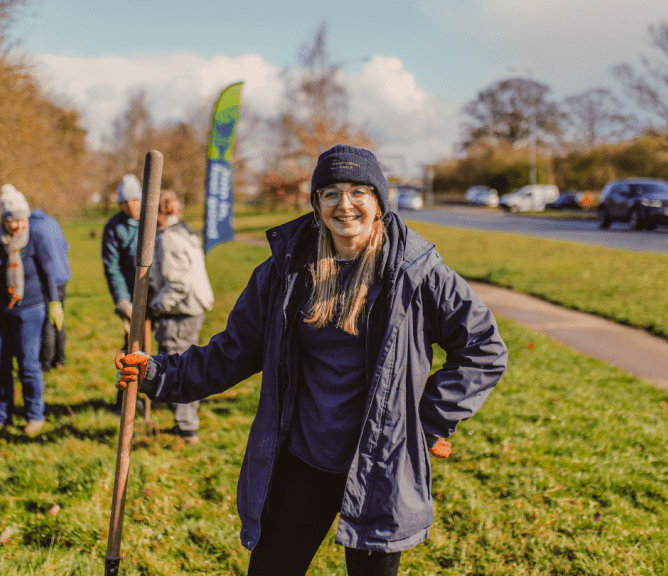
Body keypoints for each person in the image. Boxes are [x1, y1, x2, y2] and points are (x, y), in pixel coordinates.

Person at [115, 144, 508, 575]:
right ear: (317, 203)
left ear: (378, 201)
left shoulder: (417, 273)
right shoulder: (286, 270)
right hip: (305, 458)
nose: (346, 205)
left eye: (359, 191)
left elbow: (484, 349)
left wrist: (430, 421)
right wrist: (160, 374)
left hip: (381, 463)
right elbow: (234, 350)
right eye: (331, 193)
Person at [0, 184, 62, 435]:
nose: (19, 226)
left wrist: (54, 302)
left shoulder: (35, 239)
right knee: (0, 365)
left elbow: (47, 274)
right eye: (13, 221)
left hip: (30, 310)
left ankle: (35, 416)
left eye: (23, 219)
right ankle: (2, 417)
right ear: (3, 220)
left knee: (29, 365)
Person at [147, 190, 215, 444]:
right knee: (183, 362)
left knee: (178, 366)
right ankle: (185, 421)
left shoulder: (169, 240)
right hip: (191, 308)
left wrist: (156, 306)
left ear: (162, 212)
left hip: (181, 311)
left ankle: (186, 427)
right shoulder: (184, 232)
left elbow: (178, 283)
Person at [101, 174, 143, 410]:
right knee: (131, 348)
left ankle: (163, 394)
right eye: (126, 203)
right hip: (131, 297)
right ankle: (127, 399)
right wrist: (123, 300)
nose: (131, 206)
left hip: (158, 295)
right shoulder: (114, 228)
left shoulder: (153, 220)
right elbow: (112, 267)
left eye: (135, 201)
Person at [29, 207, 71, 371]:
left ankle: (45, 363)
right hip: (63, 277)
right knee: (59, 317)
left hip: (47, 278)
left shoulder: (29, 226)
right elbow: (66, 246)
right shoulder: (52, 222)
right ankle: (60, 360)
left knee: (47, 321)